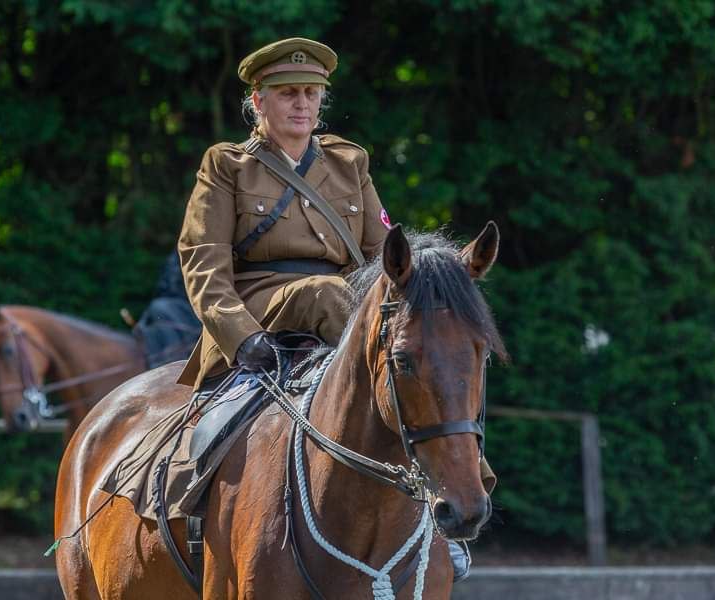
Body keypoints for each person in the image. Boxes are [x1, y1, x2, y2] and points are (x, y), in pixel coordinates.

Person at [177, 37, 491, 581]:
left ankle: (456, 490)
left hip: (342, 311)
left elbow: (384, 252)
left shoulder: (349, 162)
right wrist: (240, 336)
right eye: (287, 93)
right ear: (258, 100)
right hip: (260, 310)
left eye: (311, 93)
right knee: (327, 292)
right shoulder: (226, 165)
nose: (301, 103)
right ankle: (192, 502)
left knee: (434, 353)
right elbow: (202, 263)